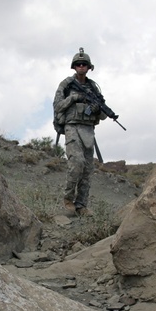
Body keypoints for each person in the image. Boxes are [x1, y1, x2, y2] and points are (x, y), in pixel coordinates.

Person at [53, 47, 107, 216]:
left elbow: (104, 115)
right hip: (72, 127)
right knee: (76, 163)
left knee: (87, 169)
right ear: (74, 67)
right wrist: (74, 98)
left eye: (84, 64)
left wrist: (97, 108)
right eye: (78, 64)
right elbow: (57, 106)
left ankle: (81, 205)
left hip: (88, 130)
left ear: (89, 67)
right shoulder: (67, 85)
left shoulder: (93, 88)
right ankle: (68, 199)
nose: (81, 66)